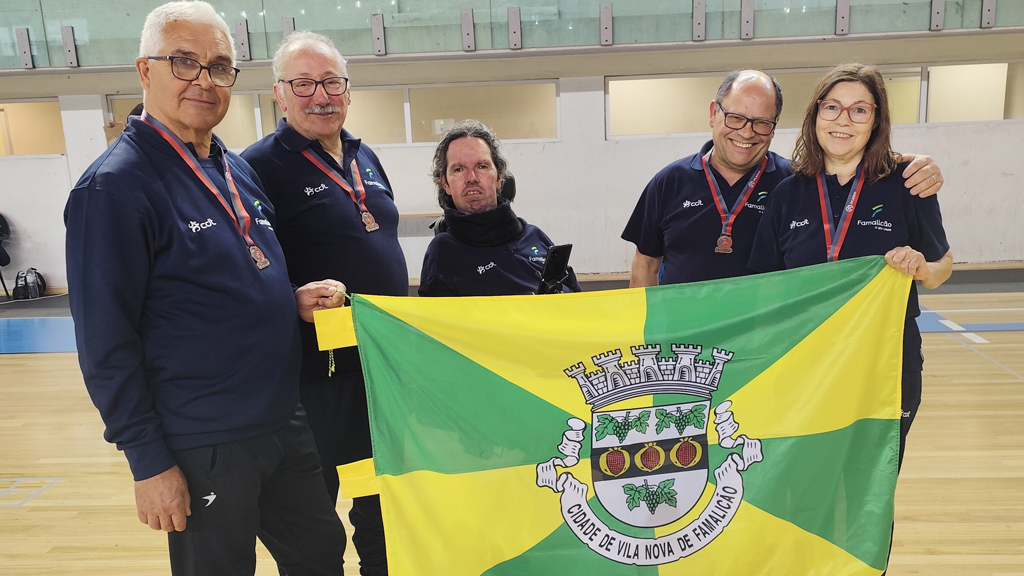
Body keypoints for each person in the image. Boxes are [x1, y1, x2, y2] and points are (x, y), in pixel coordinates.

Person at [64, 3, 348, 574]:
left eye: (219, 67)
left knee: (320, 556)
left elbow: (232, 267)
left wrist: (285, 300)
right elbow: (104, 341)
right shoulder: (114, 188)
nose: (204, 80)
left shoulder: (233, 167)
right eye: (184, 62)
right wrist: (148, 463)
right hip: (204, 439)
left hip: (282, 419)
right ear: (146, 71)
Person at [241, 31, 400, 575]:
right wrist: (290, 299)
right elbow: (241, 264)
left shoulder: (364, 154)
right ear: (279, 95)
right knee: (314, 518)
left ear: (348, 89)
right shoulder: (257, 165)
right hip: (314, 376)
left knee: (381, 504)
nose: (321, 94)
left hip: (378, 367)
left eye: (331, 81)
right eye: (304, 83)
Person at [748, 62, 952, 470]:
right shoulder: (787, 194)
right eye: (832, 108)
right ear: (815, 114)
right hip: (806, 362)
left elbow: (942, 263)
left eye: (860, 110)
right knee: (805, 480)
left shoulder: (907, 182)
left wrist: (921, 268)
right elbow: (761, 286)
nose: (843, 120)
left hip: (885, 360)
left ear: (876, 120)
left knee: (870, 486)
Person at [622, 69, 945, 288]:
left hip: (769, 348)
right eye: (735, 118)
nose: (746, 132)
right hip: (682, 343)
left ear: (774, 128)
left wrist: (915, 163)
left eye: (761, 123)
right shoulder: (668, 182)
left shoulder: (791, 182)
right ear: (713, 114)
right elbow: (646, 262)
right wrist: (640, 330)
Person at [419, 120, 582, 297]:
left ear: (499, 178)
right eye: (459, 169)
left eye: (482, 166)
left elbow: (580, 304)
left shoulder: (536, 237)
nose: (471, 178)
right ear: (446, 184)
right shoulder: (444, 252)